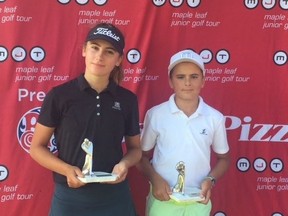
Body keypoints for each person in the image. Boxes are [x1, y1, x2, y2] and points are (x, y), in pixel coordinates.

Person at [30, 23, 142, 216]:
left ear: (119, 60)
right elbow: (36, 148)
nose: (99, 56)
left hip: (114, 197)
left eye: (109, 51)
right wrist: (66, 170)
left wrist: (124, 164)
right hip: (71, 198)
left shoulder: (127, 100)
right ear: (83, 50)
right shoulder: (59, 96)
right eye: (94, 47)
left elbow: (135, 150)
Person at [136, 49, 230, 216]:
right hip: (163, 200)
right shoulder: (156, 114)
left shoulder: (214, 117)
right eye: (180, 77)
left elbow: (224, 159)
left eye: (194, 76)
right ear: (171, 82)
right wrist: (155, 179)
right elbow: (140, 156)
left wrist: (210, 180)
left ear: (203, 81)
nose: (188, 82)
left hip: (198, 201)